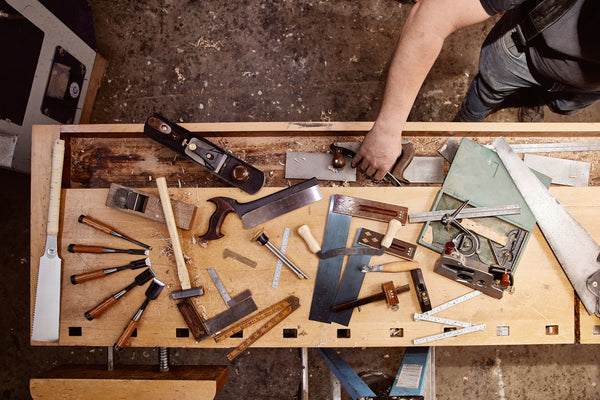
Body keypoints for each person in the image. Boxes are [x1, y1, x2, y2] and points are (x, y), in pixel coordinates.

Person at [352, 0, 600, 181]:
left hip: (586, 87)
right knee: (486, 95)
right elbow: (433, 14)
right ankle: (467, 122)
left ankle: (530, 100)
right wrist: (387, 129)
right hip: (521, 52)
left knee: (561, 107)